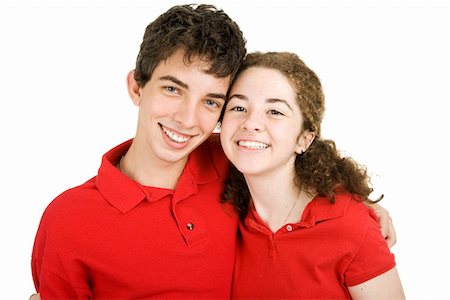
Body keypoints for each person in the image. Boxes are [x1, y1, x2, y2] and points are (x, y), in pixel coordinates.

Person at [30, 4, 396, 299]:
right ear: (137, 87)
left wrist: (360, 205)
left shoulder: (229, 163)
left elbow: (285, 158)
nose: (187, 119)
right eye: (173, 89)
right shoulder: (68, 221)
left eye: (210, 101)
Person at [220, 51, 405, 299]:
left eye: (275, 112)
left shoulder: (351, 225)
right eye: (239, 107)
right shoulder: (225, 210)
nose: (250, 123)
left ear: (305, 138)